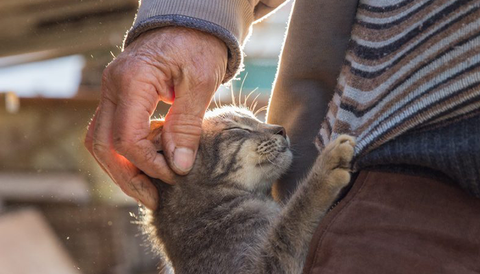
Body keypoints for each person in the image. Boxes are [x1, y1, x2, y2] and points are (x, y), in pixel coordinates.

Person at [85, 0, 480, 272]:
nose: (274, 129)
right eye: (244, 129)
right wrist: (189, 17)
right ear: (183, 158)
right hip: (403, 166)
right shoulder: (210, 231)